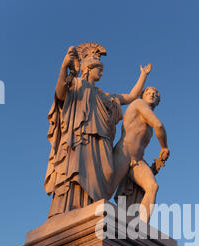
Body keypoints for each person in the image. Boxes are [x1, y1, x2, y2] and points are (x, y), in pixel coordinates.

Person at [44, 42, 151, 217]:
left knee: (102, 179)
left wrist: (143, 76)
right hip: (80, 140)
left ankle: (91, 208)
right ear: (88, 68)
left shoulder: (106, 96)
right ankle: (72, 210)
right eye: (98, 67)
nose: (102, 71)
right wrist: (64, 67)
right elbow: (60, 93)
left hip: (101, 144)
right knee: (76, 173)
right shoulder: (76, 85)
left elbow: (131, 96)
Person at [113, 86, 169, 222]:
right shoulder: (139, 104)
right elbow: (159, 125)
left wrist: (153, 168)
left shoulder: (147, 120)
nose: (152, 95)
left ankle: (141, 226)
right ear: (142, 96)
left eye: (155, 94)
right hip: (123, 152)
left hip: (137, 160)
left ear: (158, 101)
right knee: (106, 190)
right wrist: (164, 147)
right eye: (148, 92)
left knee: (152, 186)